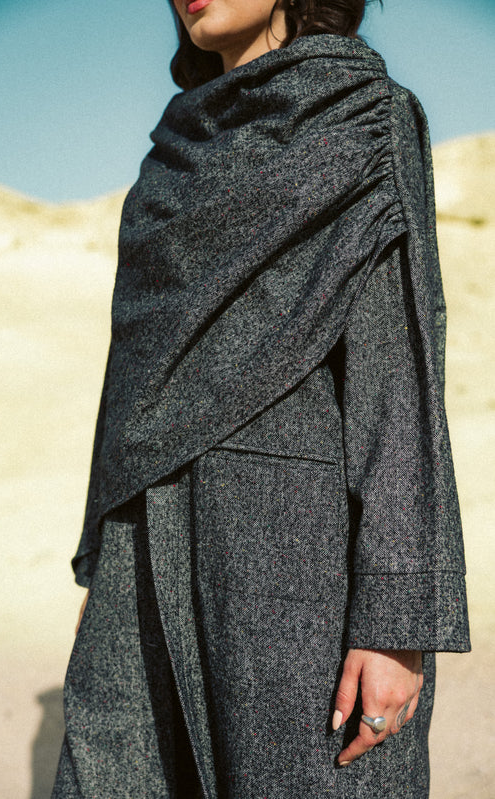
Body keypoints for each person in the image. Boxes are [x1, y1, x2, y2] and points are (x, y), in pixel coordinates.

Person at [52, 1, 471, 797]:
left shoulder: (361, 116)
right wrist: (105, 564)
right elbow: (132, 379)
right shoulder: (170, 156)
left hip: (292, 557)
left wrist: (396, 621)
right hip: (139, 548)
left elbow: (395, 371)